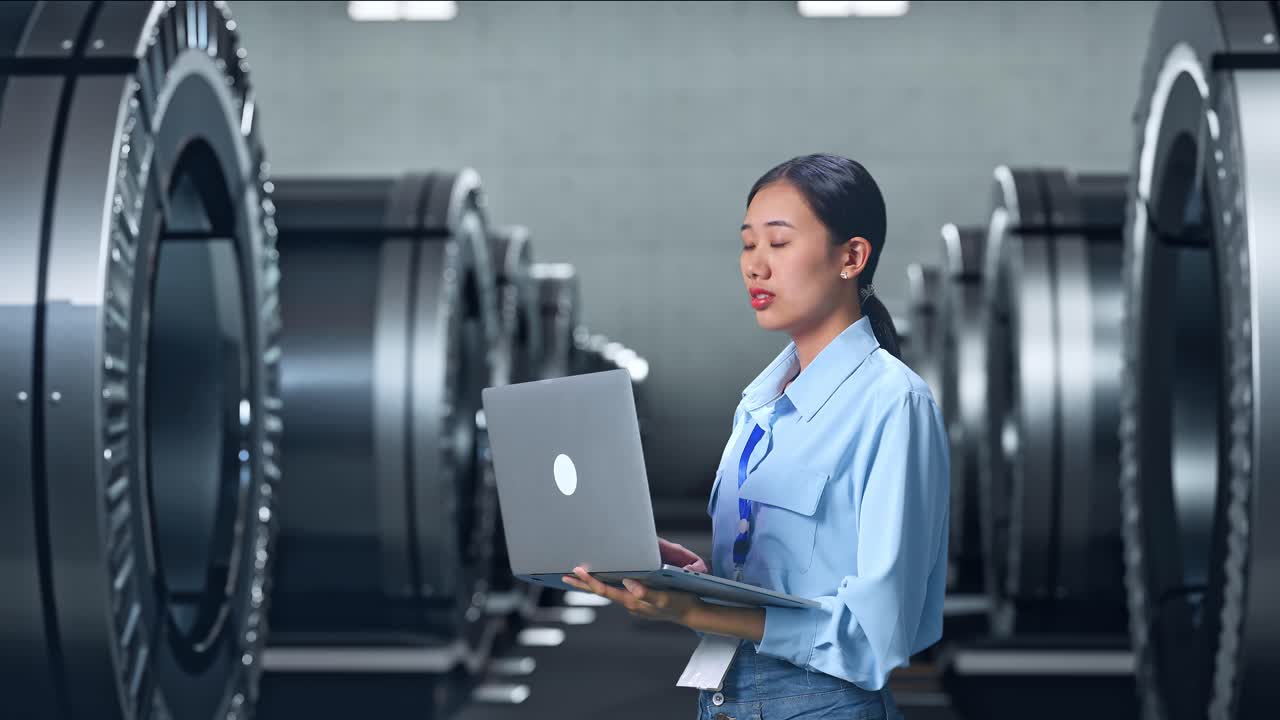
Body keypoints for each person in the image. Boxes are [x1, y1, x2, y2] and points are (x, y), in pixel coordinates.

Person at [562, 153, 950, 719]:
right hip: (726, 698)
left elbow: (874, 637)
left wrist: (692, 614)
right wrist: (695, 581)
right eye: (748, 244)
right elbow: (784, 579)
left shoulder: (894, 404)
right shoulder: (760, 401)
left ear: (852, 256)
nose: (755, 266)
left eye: (779, 242)